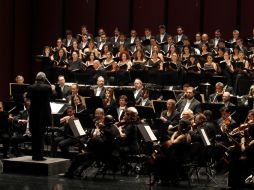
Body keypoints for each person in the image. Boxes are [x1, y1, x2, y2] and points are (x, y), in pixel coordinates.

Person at [26, 72, 52, 161]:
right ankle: (40, 156)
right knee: (41, 135)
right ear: (44, 79)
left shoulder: (30, 87)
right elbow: (53, 96)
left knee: (34, 135)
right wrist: (53, 88)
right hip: (43, 115)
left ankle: (34, 155)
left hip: (33, 114)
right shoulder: (47, 88)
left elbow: (28, 96)